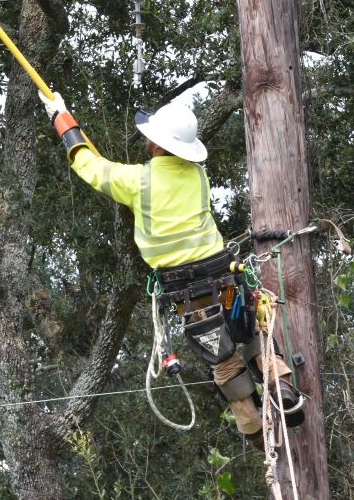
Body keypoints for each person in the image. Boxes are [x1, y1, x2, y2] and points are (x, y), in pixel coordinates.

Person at [41, 91, 303, 435]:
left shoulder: (136, 181)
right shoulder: (197, 176)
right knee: (250, 332)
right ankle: (280, 385)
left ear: (156, 140)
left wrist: (61, 118)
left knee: (221, 357)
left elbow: (89, 166)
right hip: (223, 277)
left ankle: (252, 424)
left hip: (188, 293)